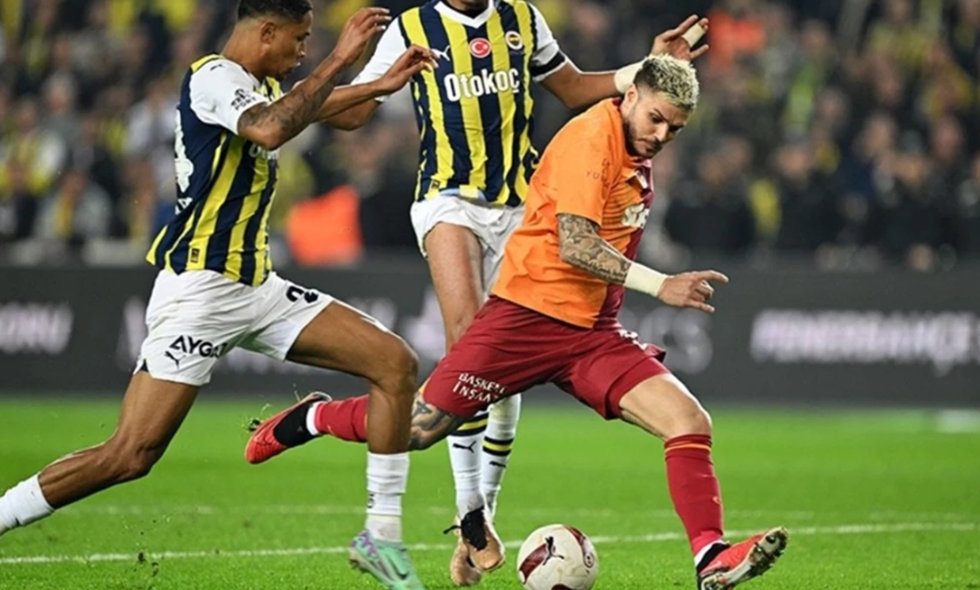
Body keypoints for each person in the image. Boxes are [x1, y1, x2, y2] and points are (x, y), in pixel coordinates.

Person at [248, 54, 790, 590]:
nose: (663, 134)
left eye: (675, 127)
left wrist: (664, 56)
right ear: (629, 97)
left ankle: (710, 557)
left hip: (592, 334)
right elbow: (576, 244)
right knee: (416, 429)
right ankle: (313, 417)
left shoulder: (636, 145)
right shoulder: (591, 139)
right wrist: (661, 284)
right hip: (525, 321)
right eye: (656, 119)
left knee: (688, 420)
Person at [0, 2, 437, 589]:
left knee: (394, 363)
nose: (302, 52)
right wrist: (339, 58)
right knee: (130, 455)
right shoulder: (214, 77)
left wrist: (379, 82)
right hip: (201, 293)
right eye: (299, 39)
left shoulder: (263, 87)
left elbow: (337, 114)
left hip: (257, 286)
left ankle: (379, 537)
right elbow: (273, 127)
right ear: (266, 32)